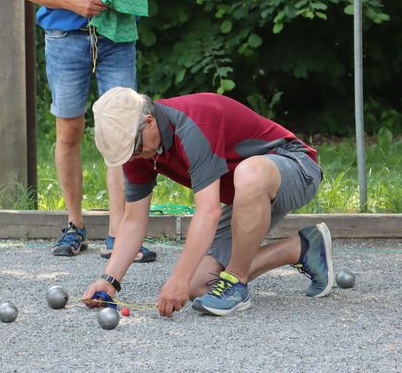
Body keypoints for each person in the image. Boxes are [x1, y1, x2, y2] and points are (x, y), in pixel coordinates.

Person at [20, 0, 162, 259]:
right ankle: (74, 225)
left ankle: (120, 235)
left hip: (117, 37)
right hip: (64, 37)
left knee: (123, 133)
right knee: (70, 130)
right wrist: (73, 0)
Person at [84, 87, 334, 317]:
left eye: (135, 148)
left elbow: (208, 212)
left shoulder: (192, 126)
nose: (134, 156)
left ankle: (236, 282)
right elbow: (134, 221)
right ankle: (301, 248)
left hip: (296, 168)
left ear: (149, 122)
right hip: (247, 197)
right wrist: (110, 281)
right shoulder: (139, 151)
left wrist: (178, 276)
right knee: (197, 284)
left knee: (249, 173)